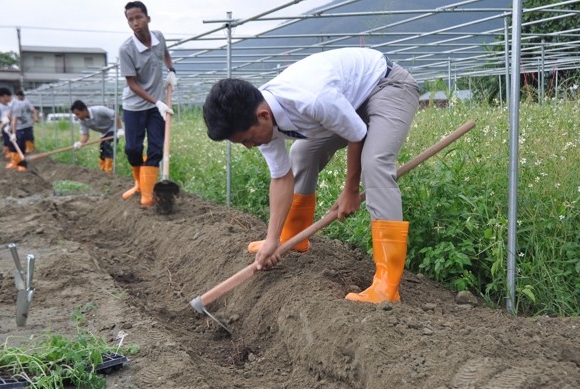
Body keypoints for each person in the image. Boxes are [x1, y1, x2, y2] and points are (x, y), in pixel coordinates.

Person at [203, 47, 419, 304]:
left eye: (248, 139)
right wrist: (273, 240)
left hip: (386, 86)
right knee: (302, 154)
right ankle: (293, 238)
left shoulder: (312, 99)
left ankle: (387, 285)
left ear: (263, 116)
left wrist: (350, 191)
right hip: (347, 101)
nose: (250, 146)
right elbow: (281, 177)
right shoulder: (261, 116)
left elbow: (357, 134)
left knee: (374, 163)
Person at [119, 1, 177, 206]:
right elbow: (132, 84)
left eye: (138, 17)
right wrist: (156, 102)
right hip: (134, 106)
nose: (135, 23)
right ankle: (138, 183)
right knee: (133, 149)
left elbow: (166, 55)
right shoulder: (126, 49)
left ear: (147, 18)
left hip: (156, 106)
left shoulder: (159, 37)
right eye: (131, 20)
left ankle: (147, 193)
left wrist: (171, 71)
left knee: (155, 149)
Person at [70, 100, 125, 173]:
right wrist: (80, 143)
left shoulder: (99, 110)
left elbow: (115, 114)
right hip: (104, 133)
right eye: (75, 115)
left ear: (83, 110)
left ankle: (108, 171)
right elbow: (85, 135)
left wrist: (120, 129)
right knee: (102, 151)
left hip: (113, 128)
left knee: (108, 146)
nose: (77, 117)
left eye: (78, 114)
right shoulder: (82, 121)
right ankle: (102, 171)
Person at [0, 87, 13, 161]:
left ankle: (14, 153)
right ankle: (8, 154)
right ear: (2, 97)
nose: (8, 98)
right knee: (6, 140)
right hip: (4, 125)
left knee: (14, 140)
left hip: (12, 124)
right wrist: (0, 126)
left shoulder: (11, 105)